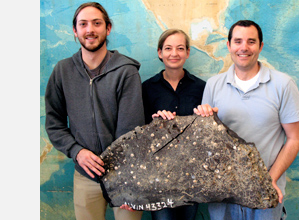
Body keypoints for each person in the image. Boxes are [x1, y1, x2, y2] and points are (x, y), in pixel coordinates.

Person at [194, 20, 299, 220]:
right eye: (238, 41)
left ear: (261, 46)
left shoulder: (283, 84)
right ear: (229, 46)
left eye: (251, 41)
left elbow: (294, 138)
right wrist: (202, 118)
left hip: (265, 194)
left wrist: (268, 181)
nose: (244, 47)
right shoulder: (213, 84)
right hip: (223, 195)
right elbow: (206, 140)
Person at [45, 2, 144, 220]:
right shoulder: (62, 71)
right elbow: (54, 122)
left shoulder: (126, 72)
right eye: (83, 24)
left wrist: (126, 176)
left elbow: (131, 129)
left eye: (97, 23)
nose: (90, 29)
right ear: (75, 30)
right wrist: (77, 151)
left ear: (108, 28)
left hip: (126, 175)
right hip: (85, 174)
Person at [142, 29, 206, 220]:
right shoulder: (147, 87)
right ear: (160, 52)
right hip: (159, 174)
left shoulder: (201, 87)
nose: (174, 53)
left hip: (192, 174)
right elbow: (141, 132)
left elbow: (206, 131)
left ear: (187, 52)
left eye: (180, 48)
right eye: (168, 48)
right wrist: (156, 124)